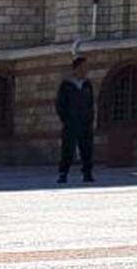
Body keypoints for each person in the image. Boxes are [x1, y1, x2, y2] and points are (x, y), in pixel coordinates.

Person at [55, 55, 95, 184]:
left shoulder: (87, 85)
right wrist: (66, 119)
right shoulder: (66, 85)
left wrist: (90, 117)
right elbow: (60, 105)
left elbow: (91, 103)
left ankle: (87, 173)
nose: (86, 70)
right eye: (84, 67)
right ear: (77, 68)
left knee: (86, 149)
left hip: (85, 123)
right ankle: (63, 173)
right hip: (71, 123)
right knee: (68, 149)